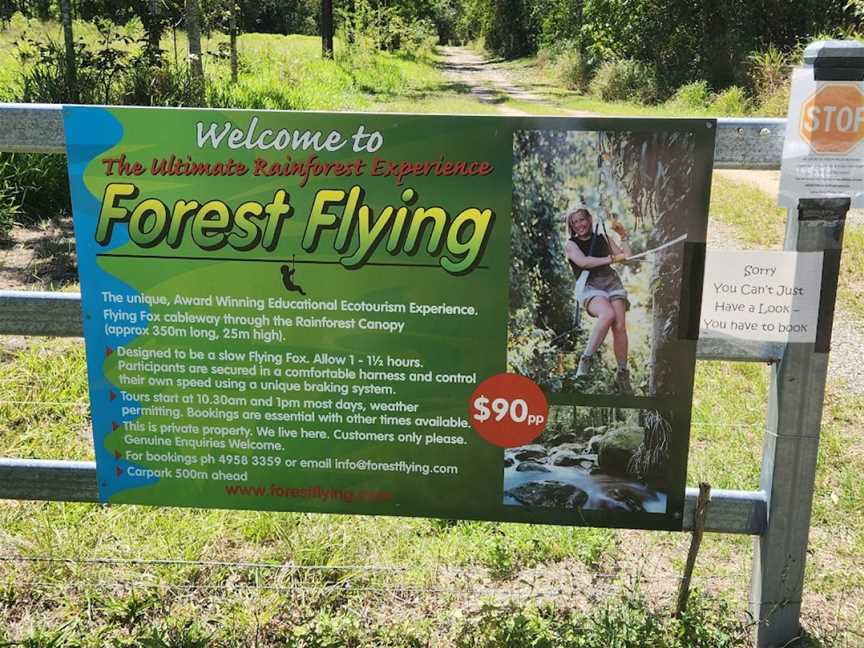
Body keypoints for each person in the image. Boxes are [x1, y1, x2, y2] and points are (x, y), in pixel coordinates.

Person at [564, 207, 633, 394]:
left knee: (619, 326)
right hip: (590, 285)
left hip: (612, 283)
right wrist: (611, 258)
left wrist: (623, 235)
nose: (579, 225)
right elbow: (584, 262)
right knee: (607, 314)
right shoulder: (571, 244)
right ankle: (586, 359)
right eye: (575, 222)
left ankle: (622, 372)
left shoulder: (603, 237)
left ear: (589, 219)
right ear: (571, 226)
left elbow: (626, 258)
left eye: (582, 220)